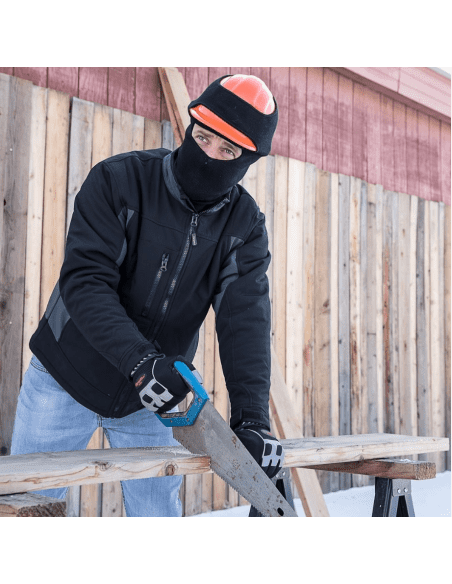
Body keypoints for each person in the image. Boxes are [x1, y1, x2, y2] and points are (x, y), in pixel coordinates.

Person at [11, 73, 285, 516]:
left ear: (248, 160)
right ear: (190, 126)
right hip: (65, 376)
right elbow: (85, 282)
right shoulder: (119, 181)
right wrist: (141, 361)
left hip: (153, 399)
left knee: (157, 518)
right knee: (24, 508)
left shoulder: (244, 226)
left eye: (228, 151)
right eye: (203, 137)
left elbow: (245, 320)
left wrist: (252, 418)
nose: (209, 156)